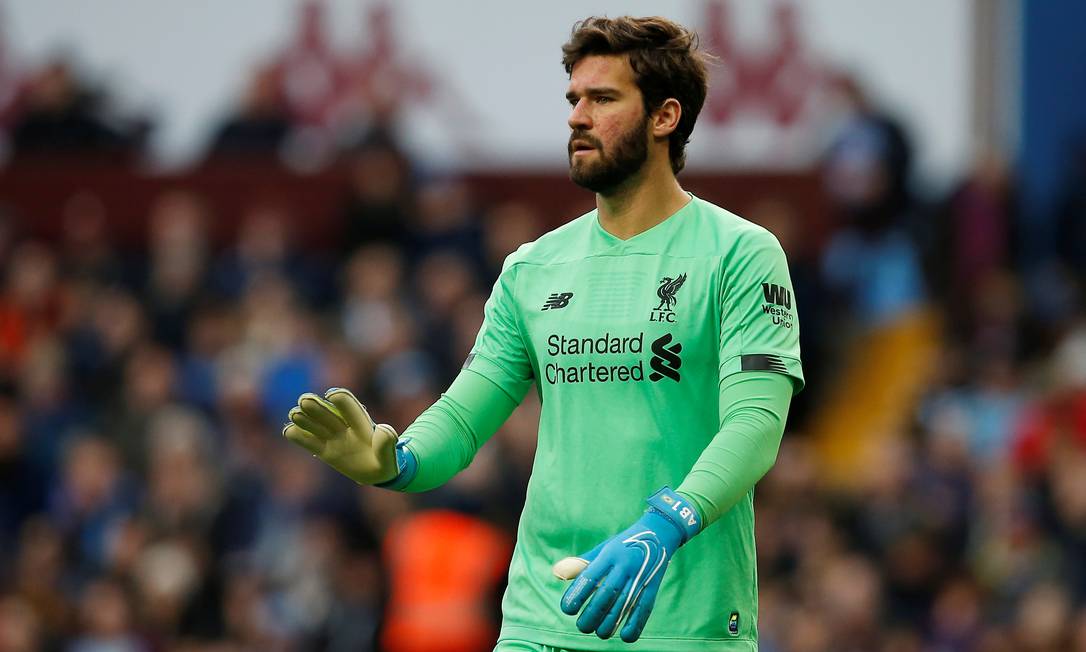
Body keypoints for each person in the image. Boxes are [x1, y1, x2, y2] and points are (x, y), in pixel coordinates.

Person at [283, 15, 803, 651]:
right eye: (573, 99)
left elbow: (755, 424)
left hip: (683, 621)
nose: (577, 117)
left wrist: (665, 526)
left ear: (665, 117)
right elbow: (468, 413)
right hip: (543, 620)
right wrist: (400, 461)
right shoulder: (532, 268)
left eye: (603, 99)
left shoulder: (741, 254)